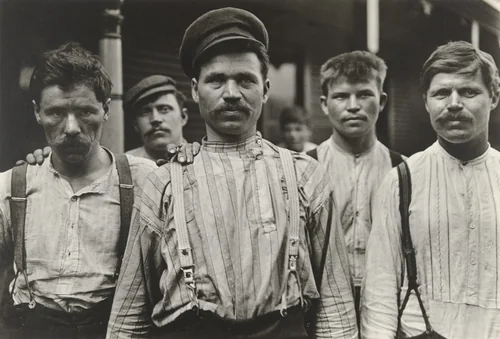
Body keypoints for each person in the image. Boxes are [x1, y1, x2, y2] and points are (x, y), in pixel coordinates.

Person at [107, 7, 357, 339]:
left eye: (244, 80)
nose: (231, 93)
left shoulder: (304, 175)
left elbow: (336, 301)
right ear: (196, 90)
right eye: (217, 80)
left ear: (265, 90)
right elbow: (130, 311)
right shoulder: (164, 182)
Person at [0, 42, 157, 339]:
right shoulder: (12, 186)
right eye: (57, 113)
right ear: (37, 113)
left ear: (106, 109)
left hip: (111, 330)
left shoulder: (143, 179)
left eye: (85, 112)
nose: (71, 127)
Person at [361, 41, 500, 338]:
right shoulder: (402, 180)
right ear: (426, 101)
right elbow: (380, 290)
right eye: (440, 93)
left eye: (468, 91)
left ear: (494, 97)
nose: (453, 103)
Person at [306, 51, 404, 321]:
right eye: (341, 96)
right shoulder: (303, 168)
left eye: (364, 94)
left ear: (381, 101)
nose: (353, 106)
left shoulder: (403, 169)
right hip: (323, 306)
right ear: (325, 104)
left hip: (387, 304)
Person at [124, 75, 190, 162]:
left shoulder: (203, 161)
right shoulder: (125, 166)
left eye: (164, 109)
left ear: (183, 117)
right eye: (145, 112)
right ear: (136, 125)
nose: (155, 119)